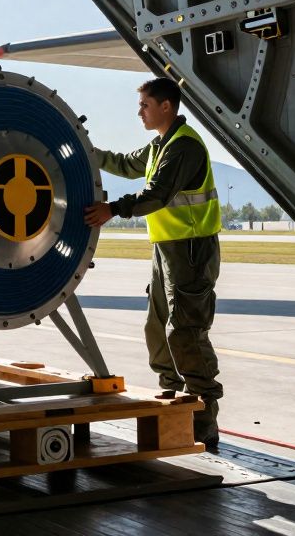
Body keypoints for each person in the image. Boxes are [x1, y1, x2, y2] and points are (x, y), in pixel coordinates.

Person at [83, 77, 223, 450]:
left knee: (186, 330)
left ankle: (203, 417)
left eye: (145, 105)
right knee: (156, 324)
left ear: (166, 106)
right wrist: (85, 149)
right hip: (166, 247)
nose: (139, 112)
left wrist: (113, 209)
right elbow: (126, 164)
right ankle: (170, 396)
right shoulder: (161, 145)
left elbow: (157, 195)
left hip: (191, 249)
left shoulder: (184, 147)